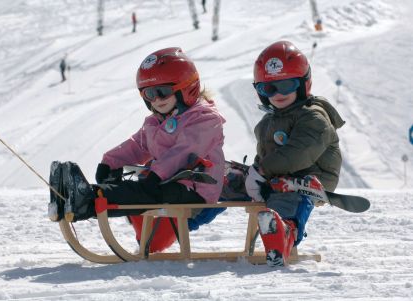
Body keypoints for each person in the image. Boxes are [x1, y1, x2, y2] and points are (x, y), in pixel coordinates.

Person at [49, 47, 225, 248]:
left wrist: (157, 175)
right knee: (140, 189)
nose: (156, 99)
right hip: (168, 184)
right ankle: (75, 200)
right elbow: (137, 146)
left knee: (142, 191)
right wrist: (110, 162)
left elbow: (183, 152)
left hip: (196, 190)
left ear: (186, 88)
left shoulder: (205, 119)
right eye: (150, 93)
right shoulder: (155, 122)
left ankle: (87, 199)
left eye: (163, 92)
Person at [245, 40, 345, 266]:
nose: (277, 94)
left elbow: (299, 153)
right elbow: (265, 157)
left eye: (287, 85)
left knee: (287, 192)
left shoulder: (314, 117)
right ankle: (174, 224)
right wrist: (252, 174)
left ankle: (285, 233)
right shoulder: (267, 122)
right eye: (268, 88)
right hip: (278, 176)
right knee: (230, 180)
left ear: (302, 84)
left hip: (312, 179)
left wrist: (262, 171)